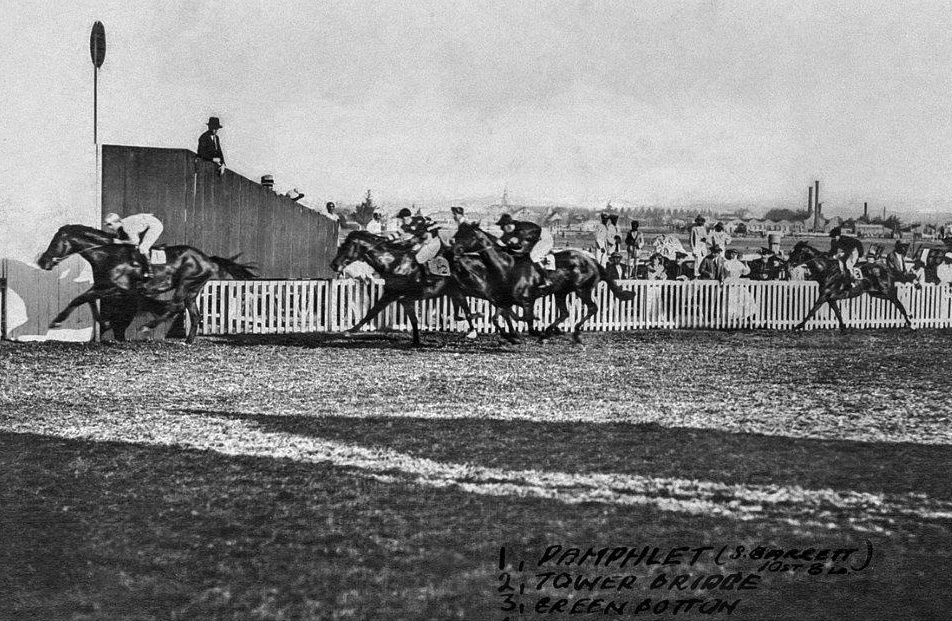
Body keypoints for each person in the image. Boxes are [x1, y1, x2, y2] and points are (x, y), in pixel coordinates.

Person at [496, 213, 553, 289]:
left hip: (544, 238)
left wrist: (513, 241)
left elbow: (519, 240)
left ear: (508, 225)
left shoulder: (521, 228)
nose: (503, 229)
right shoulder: (510, 230)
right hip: (536, 238)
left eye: (503, 227)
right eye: (502, 227)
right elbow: (500, 241)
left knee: (533, 257)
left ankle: (546, 279)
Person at [103, 212, 164, 278]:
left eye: (110, 224)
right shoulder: (122, 225)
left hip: (154, 226)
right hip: (146, 224)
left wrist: (120, 242)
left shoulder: (127, 227)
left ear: (116, 222)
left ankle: (149, 271)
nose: (109, 227)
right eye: (107, 225)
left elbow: (135, 242)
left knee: (143, 247)